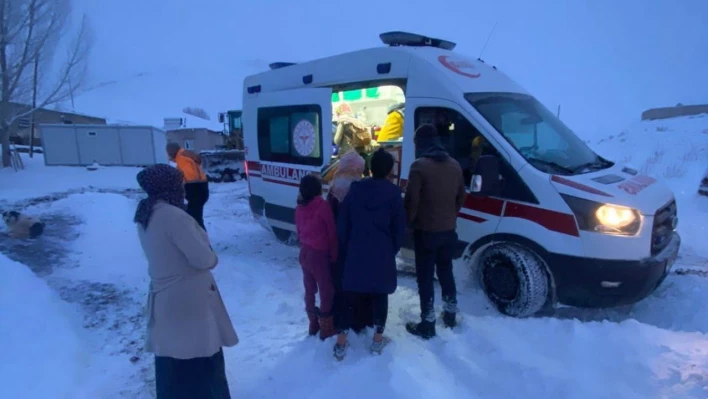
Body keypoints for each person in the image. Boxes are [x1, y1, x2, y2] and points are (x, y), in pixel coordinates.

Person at [133, 164, 238, 399]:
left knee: (173, 364)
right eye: (179, 182)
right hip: (188, 301)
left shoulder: (145, 212)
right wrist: (210, 252)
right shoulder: (173, 216)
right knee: (200, 363)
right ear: (168, 185)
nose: (183, 187)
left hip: (165, 299)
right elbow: (203, 259)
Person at [333, 148, 406, 360]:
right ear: (389, 170)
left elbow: (342, 223)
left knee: (348, 296)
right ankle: (377, 340)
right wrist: (390, 249)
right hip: (382, 253)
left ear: (371, 168)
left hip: (356, 250)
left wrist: (349, 246)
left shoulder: (355, 190)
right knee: (380, 295)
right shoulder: (394, 194)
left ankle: (341, 343)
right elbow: (399, 228)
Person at [404, 124, 466, 340]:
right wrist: (449, 216)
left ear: (420, 143)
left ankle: (428, 323)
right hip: (448, 231)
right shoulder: (455, 165)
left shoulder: (419, 167)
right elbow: (461, 197)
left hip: (426, 232)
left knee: (425, 278)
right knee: (446, 272)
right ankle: (450, 314)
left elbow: (412, 202)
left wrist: (408, 223)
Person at [325, 151, 374, 334]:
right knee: (357, 281)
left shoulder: (334, 187)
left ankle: (340, 318)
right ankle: (359, 320)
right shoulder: (360, 187)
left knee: (340, 283)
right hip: (356, 243)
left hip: (337, 244)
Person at [295, 174, 338, 340]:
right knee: (326, 290)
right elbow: (331, 233)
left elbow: (298, 231)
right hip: (319, 255)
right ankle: (326, 327)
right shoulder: (322, 206)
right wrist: (334, 256)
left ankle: (313, 323)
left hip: (304, 252)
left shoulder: (299, 207)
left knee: (309, 289)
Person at [166, 143, 209, 231]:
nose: (168, 155)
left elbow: (191, 178)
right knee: (195, 218)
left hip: (196, 191)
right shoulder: (185, 156)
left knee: (195, 220)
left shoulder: (182, 159)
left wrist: (182, 186)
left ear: (172, 152)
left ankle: (203, 242)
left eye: (169, 153)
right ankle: (201, 241)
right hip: (201, 189)